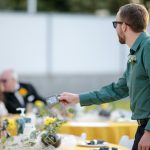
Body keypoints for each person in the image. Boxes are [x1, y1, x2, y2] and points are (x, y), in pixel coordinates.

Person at [59, 3, 150, 150]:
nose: (116, 29)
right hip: (143, 127)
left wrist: (149, 132)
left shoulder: (148, 47)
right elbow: (117, 90)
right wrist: (77, 98)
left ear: (125, 26)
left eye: (116, 24)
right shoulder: (135, 53)